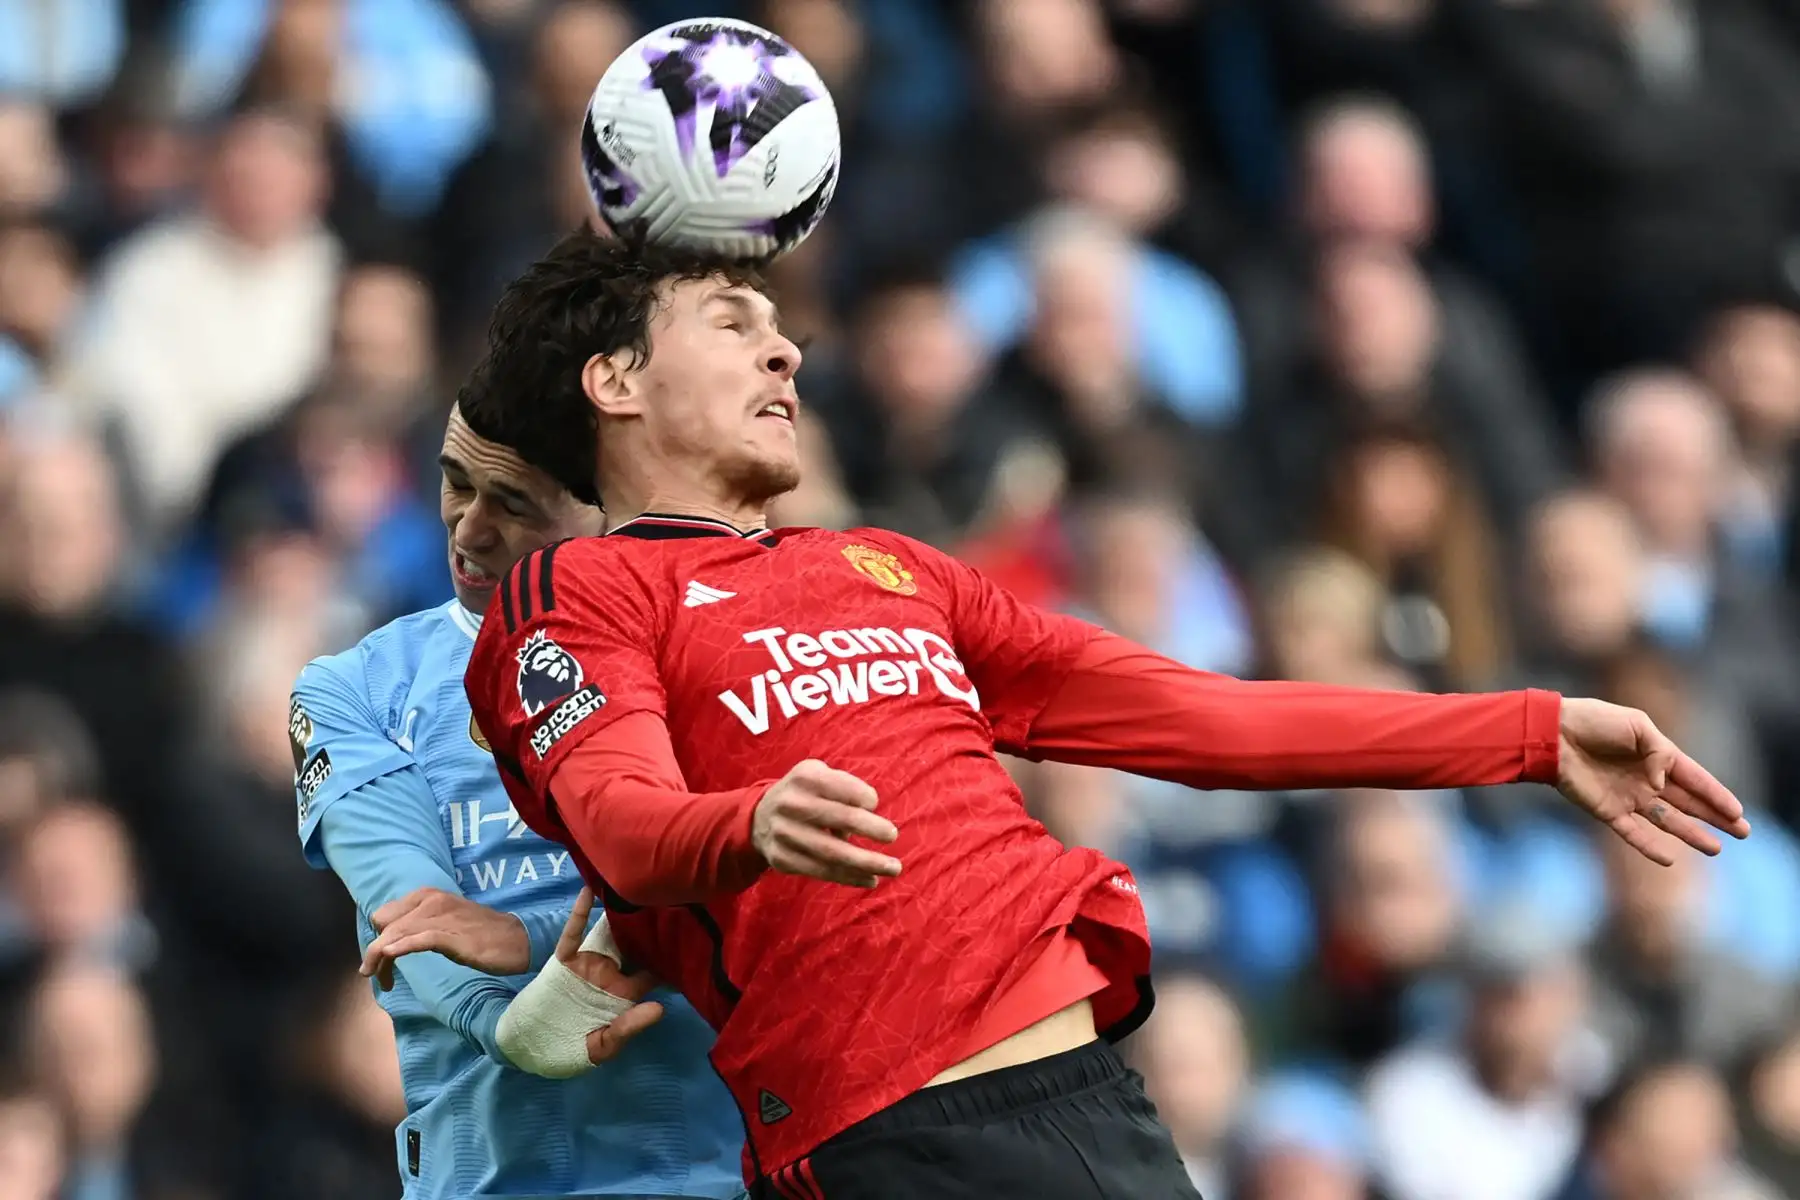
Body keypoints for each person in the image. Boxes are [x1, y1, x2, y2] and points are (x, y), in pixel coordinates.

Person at [367, 231, 1749, 1200]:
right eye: (734, 323)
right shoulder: (580, 588)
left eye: (784, 326)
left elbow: (1206, 721)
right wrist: (751, 824)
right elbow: (621, 819)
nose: (785, 350)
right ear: (614, 383)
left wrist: (1526, 734)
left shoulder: (891, 568)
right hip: (904, 1133)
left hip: (1082, 1090)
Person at [290, 405, 744, 1199]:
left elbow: (743, 889)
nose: (468, 531)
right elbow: (419, 927)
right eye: (455, 485)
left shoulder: (710, 655)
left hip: (718, 1172)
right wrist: (517, 1032)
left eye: (514, 503)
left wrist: (523, 936)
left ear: (611, 508)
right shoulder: (353, 688)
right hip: (490, 1180)